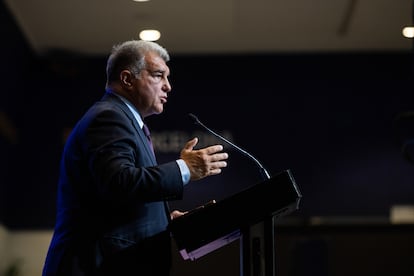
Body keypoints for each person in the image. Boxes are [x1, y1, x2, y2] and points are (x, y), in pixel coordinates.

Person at [42, 39, 229, 276]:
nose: (168, 86)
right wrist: (184, 169)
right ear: (128, 79)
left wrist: (165, 220)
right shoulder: (108, 117)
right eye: (159, 75)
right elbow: (119, 182)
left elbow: (116, 201)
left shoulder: (127, 122)